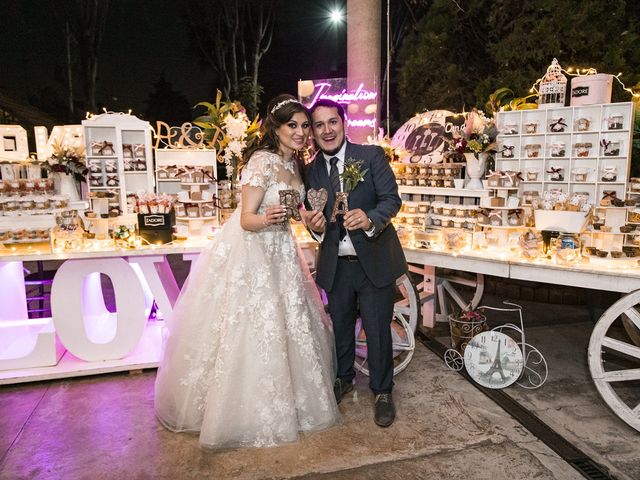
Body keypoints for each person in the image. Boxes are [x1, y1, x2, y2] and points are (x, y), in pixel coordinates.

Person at [154, 94, 340, 449]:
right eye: (293, 126)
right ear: (276, 128)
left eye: (304, 126)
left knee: (286, 326)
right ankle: (241, 410)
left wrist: (308, 217)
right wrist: (265, 218)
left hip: (282, 251)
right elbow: (246, 218)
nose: (301, 133)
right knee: (251, 327)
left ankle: (291, 403)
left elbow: (295, 208)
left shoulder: (295, 165)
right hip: (253, 251)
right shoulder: (263, 162)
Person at [302, 99, 407, 427]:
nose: (326, 130)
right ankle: (343, 378)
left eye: (332, 122)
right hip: (336, 263)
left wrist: (371, 217)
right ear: (313, 132)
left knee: (377, 329)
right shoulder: (311, 169)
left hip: (373, 259)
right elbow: (311, 212)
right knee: (341, 327)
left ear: (344, 123)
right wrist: (313, 225)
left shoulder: (371, 156)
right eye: (319, 125)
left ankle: (382, 391)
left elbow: (392, 200)